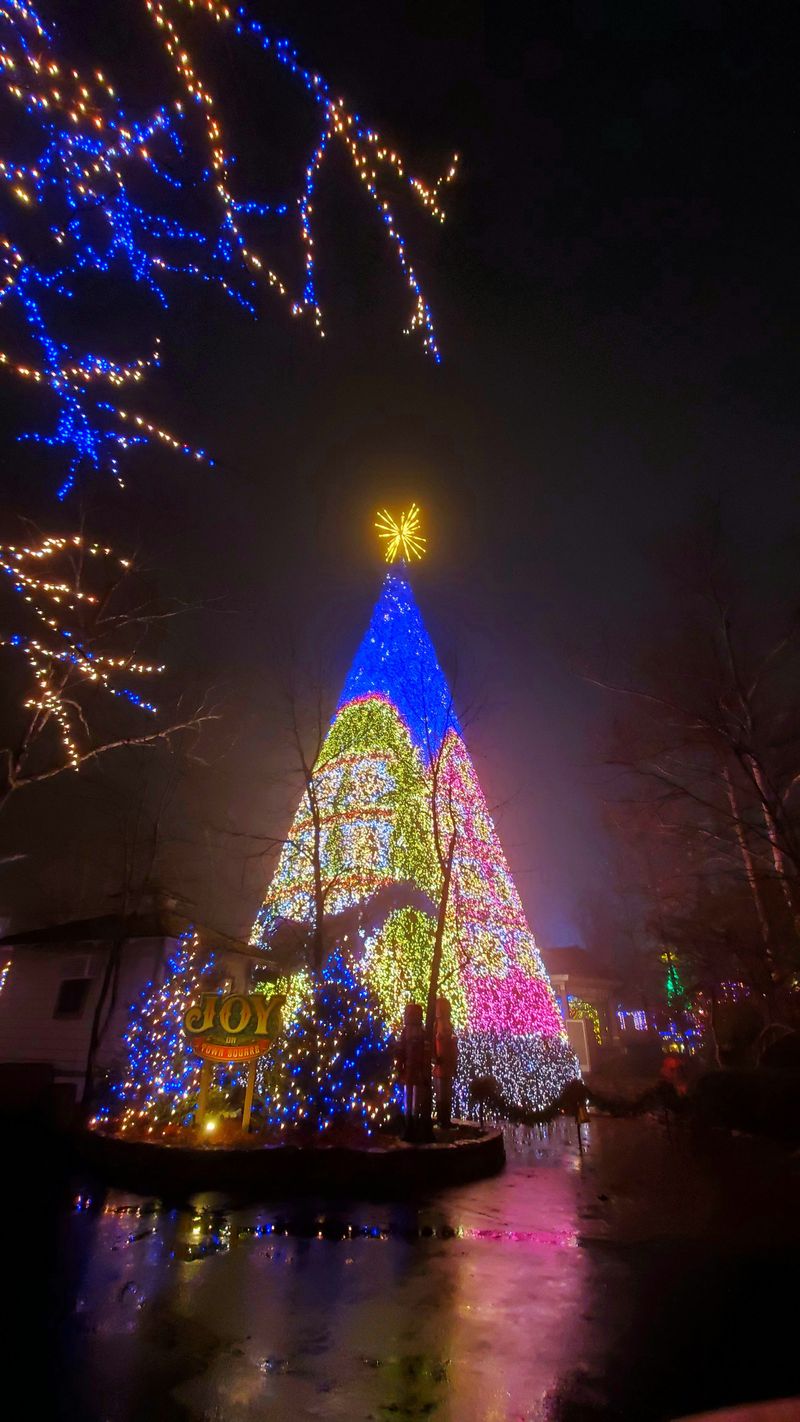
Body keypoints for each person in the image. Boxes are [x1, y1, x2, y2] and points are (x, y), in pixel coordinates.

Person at [396, 1002, 428, 1131]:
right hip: (411, 1067)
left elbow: (401, 1050)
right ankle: (410, 1122)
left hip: (415, 1067)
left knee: (414, 1096)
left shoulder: (419, 1031)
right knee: (411, 1095)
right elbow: (401, 1049)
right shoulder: (415, 1031)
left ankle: (412, 1122)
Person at [433, 996, 458, 1128]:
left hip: (447, 1062)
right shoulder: (437, 1025)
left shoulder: (446, 1024)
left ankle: (445, 1120)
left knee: (446, 1093)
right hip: (441, 1064)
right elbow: (435, 1041)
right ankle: (442, 1120)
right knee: (442, 1093)